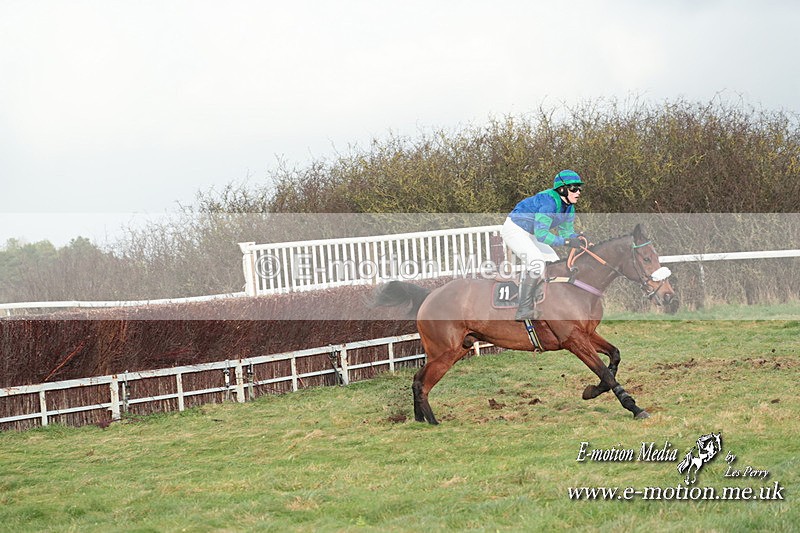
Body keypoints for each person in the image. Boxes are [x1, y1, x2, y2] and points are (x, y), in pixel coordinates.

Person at [500, 169, 585, 321]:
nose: (578, 192)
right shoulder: (548, 202)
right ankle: (523, 309)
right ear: (562, 189)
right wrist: (566, 242)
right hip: (514, 230)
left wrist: (577, 238)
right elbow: (542, 235)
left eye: (579, 188)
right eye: (574, 188)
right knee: (537, 263)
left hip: (531, 234)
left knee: (553, 263)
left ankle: (548, 303)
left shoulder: (569, 207)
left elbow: (566, 233)